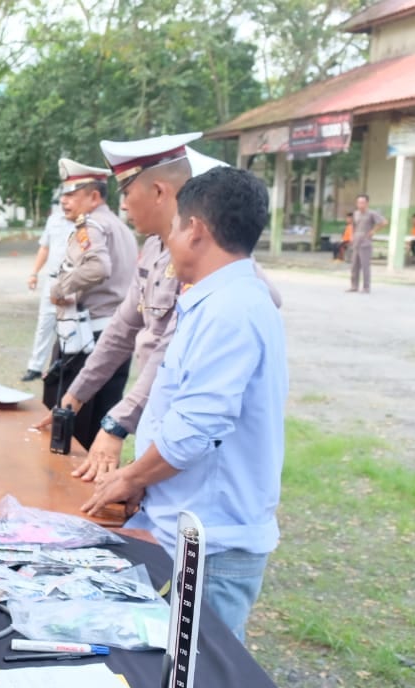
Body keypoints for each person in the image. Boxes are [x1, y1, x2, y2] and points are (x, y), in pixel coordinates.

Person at [83, 166, 287, 643]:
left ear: (195, 230)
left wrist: (128, 477)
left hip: (212, 541)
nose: (168, 241)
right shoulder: (217, 300)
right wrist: (143, 484)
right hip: (185, 524)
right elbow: (177, 413)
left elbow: (193, 431)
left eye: (175, 227)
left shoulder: (230, 310)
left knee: (201, 682)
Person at [39, 134, 280, 483]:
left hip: (197, 448)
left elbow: (168, 351)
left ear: (158, 192)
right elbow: (122, 330)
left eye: (125, 192)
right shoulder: (155, 248)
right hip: (164, 427)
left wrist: (117, 423)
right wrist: (74, 396)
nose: (122, 205)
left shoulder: (208, 260)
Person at [41, 158, 136, 450]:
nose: (64, 201)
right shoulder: (120, 227)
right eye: (63, 194)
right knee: (99, 426)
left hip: (89, 338)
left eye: (72, 194)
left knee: (71, 432)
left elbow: (98, 267)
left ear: (94, 197)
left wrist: (60, 287)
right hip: (116, 337)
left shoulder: (91, 225)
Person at [21, 206, 73, 382]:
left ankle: (63, 366)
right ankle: (35, 367)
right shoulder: (54, 220)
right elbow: (44, 248)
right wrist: (34, 273)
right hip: (52, 279)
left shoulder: (85, 221)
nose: (66, 201)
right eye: (64, 197)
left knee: (69, 326)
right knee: (44, 324)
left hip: (73, 280)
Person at [348, 193, 387, 293]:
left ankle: (366, 287)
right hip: (356, 240)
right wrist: (352, 236)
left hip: (365, 241)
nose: (361, 204)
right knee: (354, 265)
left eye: (363, 202)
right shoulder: (356, 213)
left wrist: (373, 231)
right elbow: (354, 226)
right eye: (359, 202)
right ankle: (354, 286)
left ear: (367, 203)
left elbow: (384, 222)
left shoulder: (371, 213)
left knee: (365, 265)